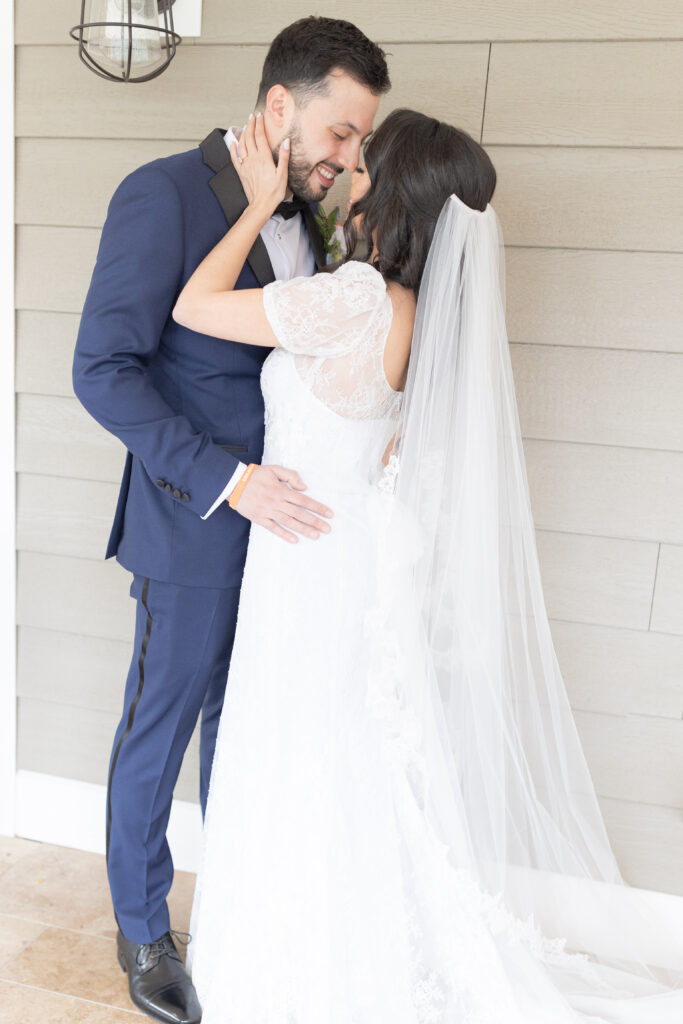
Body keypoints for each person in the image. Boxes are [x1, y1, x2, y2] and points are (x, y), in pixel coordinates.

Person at [173, 108, 683, 1022]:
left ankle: (289, 963)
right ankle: (342, 944)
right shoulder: (419, 313)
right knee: (338, 756)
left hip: (304, 560)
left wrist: (253, 209)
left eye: (364, 162)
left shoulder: (359, 298)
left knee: (296, 749)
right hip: (347, 558)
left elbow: (194, 308)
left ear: (394, 189)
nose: (349, 173)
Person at [72, 17, 390, 1023]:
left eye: (360, 144)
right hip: (196, 522)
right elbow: (101, 371)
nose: (348, 160)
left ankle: (240, 906)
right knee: (159, 733)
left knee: (246, 728)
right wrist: (226, 481)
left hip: (294, 542)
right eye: (340, 134)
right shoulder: (161, 195)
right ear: (279, 107)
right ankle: (143, 928)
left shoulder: (320, 217)